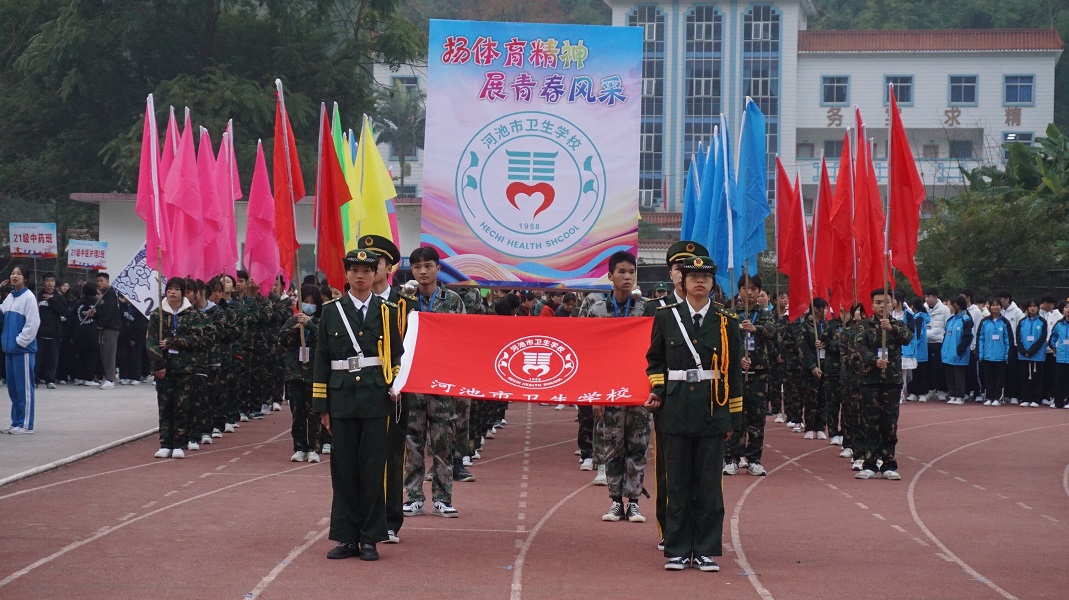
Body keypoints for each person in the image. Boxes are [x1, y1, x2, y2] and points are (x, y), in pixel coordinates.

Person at [644, 255, 742, 572]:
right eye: (693, 277)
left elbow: (735, 376)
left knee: (709, 485)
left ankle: (704, 549)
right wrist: (658, 391)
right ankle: (676, 548)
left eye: (706, 278)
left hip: (712, 409)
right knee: (677, 483)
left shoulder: (727, 322)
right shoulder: (665, 317)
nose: (700, 282)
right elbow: (655, 361)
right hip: (674, 410)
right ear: (683, 283)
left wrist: (733, 418)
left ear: (713, 284)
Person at [313, 249, 404, 561]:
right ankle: (347, 537)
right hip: (341, 400)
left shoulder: (389, 310)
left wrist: (394, 385)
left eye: (367, 269)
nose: (361, 275)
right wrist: (322, 405)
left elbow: (397, 355)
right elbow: (321, 359)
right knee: (344, 470)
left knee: (372, 469)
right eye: (354, 270)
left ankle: (370, 539)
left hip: (376, 399)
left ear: (377, 272)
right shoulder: (330, 311)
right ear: (347, 274)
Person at [643, 239, 708, 549]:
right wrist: (656, 389)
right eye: (679, 269)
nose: (686, 275)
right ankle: (670, 528)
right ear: (672, 274)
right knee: (670, 468)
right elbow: (646, 355)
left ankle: (699, 529)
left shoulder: (718, 314)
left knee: (703, 469)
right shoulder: (655, 310)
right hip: (669, 399)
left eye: (693, 270)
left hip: (706, 401)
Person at [358, 234, 416, 543]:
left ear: (388, 267)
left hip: (394, 391)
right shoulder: (352, 304)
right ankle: (364, 518)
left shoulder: (404, 304)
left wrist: (399, 381)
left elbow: (411, 346)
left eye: (374, 263)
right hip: (361, 391)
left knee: (392, 456)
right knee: (362, 456)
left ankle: (390, 519)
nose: (366, 270)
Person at [403, 246, 466, 519]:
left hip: (442, 383)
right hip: (413, 380)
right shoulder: (404, 300)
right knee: (412, 441)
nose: (423, 272)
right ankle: (413, 496)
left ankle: (443, 498)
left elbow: (464, 336)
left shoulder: (452, 301)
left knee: (443, 441)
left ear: (438, 269)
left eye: (428, 266)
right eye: (417, 267)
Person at [586, 251, 650, 523]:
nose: (627, 276)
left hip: (638, 388)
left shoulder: (647, 308)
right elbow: (589, 353)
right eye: (621, 272)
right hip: (609, 389)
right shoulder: (596, 310)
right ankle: (615, 501)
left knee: (638, 444)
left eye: (631, 272)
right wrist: (595, 394)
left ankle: (633, 501)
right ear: (610, 276)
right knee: (612, 445)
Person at [851, 289, 913, 480]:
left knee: (889, 424)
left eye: (885, 302)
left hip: (892, 382)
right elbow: (859, 346)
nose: (881, 306)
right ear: (872, 305)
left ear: (892, 304)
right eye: (877, 302)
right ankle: (869, 464)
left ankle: (888, 464)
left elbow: (907, 337)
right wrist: (873, 360)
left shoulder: (897, 325)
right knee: (870, 424)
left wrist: (891, 329)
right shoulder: (864, 326)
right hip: (870, 381)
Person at [147, 278, 208, 458]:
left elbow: (198, 339)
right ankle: (165, 443)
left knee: (182, 406)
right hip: (164, 368)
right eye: (169, 289)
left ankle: (179, 443)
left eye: (176, 289)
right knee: (165, 405)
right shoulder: (157, 315)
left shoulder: (192, 315)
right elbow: (151, 342)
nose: (172, 292)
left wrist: (174, 342)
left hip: (185, 368)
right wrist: (159, 364)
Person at [724, 274, 776, 476]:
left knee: (756, 418)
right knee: (735, 417)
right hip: (736, 374)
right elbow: (724, 341)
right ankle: (732, 459)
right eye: (747, 288)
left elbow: (772, 331)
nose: (751, 293)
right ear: (740, 290)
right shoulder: (730, 314)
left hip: (759, 374)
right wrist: (738, 360)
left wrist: (756, 328)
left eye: (755, 289)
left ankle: (754, 459)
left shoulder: (764, 314)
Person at [282, 285, 322, 463]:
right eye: (305, 302)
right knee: (298, 413)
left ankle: (313, 447)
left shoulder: (321, 321)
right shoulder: (291, 321)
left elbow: (324, 341)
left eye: (312, 303)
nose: (308, 306)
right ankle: (299, 446)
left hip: (314, 373)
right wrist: (296, 328)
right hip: (295, 374)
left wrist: (310, 326)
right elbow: (282, 342)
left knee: (314, 413)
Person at [2, 265, 41, 434]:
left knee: (24, 388)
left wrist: (20, 341)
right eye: (12, 273)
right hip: (9, 350)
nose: (14, 276)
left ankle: (26, 424)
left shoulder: (29, 298)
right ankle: (16, 421)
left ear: (26, 279)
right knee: (13, 389)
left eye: (18, 274)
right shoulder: (10, 297)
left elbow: (33, 324)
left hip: (22, 351)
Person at [35, 272, 67, 389]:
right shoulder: (37, 296)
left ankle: (50, 380)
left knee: (52, 359)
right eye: (47, 280)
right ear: (43, 282)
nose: (50, 283)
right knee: (38, 359)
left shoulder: (59, 297)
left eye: (52, 281)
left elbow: (64, 311)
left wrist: (52, 300)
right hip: (39, 333)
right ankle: (35, 379)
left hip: (54, 334)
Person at [978, 298, 1013, 405]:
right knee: (988, 378)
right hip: (987, 356)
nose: (995, 307)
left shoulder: (1005, 322)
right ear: (989, 307)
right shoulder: (984, 322)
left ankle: (998, 398)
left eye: (997, 305)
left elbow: (1008, 340)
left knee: (1000, 379)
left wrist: (1007, 355)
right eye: (993, 305)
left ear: (1000, 307)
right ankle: (989, 397)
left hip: (1000, 356)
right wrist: (980, 354)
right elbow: (980, 338)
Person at [941, 296, 974, 405]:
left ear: (958, 305)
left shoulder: (966, 319)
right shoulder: (951, 319)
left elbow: (968, 336)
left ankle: (960, 395)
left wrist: (960, 349)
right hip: (948, 353)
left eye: (951, 304)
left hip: (959, 353)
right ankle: (952, 394)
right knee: (949, 374)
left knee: (958, 375)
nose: (950, 306)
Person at [1016, 299, 1048, 408]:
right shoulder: (1022, 322)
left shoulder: (1042, 322)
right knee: (1024, 378)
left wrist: (1031, 351)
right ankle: (1025, 398)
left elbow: (1042, 339)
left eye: (1034, 306)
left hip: (1037, 356)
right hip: (1023, 356)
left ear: (1038, 308)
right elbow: (1018, 338)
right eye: (1030, 306)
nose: (1032, 308)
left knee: (1037, 378)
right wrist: (1023, 351)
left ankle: (1036, 399)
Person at [996, 290, 1025, 404]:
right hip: (1001, 345)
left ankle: (1014, 395)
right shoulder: (999, 312)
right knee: (1003, 371)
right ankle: (1005, 394)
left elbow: (1021, 328)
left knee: (1013, 371)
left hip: (1013, 345)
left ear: (1007, 299)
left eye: (1001, 299)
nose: (1000, 302)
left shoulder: (1017, 312)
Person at [94, 272, 122, 390]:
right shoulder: (105, 295)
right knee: (104, 353)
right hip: (105, 328)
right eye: (98, 281)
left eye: (102, 281)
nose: (99, 283)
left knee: (109, 353)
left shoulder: (110, 294)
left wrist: (101, 323)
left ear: (107, 281)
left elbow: (108, 312)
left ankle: (110, 379)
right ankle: (107, 377)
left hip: (111, 328)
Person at [923, 288, 951, 401]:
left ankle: (941, 390)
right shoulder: (923, 308)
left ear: (935, 297)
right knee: (928, 367)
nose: (927, 299)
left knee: (939, 367)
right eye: (926, 296)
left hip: (939, 342)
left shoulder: (944, 309)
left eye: (930, 296)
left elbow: (947, 325)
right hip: (926, 342)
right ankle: (930, 389)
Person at [73, 284, 102, 386]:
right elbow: (100, 317)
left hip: (79, 333)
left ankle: (80, 377)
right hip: (92, 334)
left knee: (80, 356)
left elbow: (72, 318)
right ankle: (89, 378)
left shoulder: (77, 303)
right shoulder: (96, 303)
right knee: (91, 357)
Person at [904, 299, 930, 402]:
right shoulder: (916, 317)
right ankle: (913, 392)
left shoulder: (919, 318)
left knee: (921, 372)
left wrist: (913, 344)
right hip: (915, 349)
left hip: (919, 350)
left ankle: (922, 393)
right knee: (914, 372)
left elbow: (918, 334)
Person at [1048, 302, 1069, 409]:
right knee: (1059, 380)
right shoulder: (1059, 324)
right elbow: (1053, 338)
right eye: (1066, 307)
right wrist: (1054, 348)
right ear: (1063, 310)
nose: (1068, 309)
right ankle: (1058, 401)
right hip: (1061, 357)